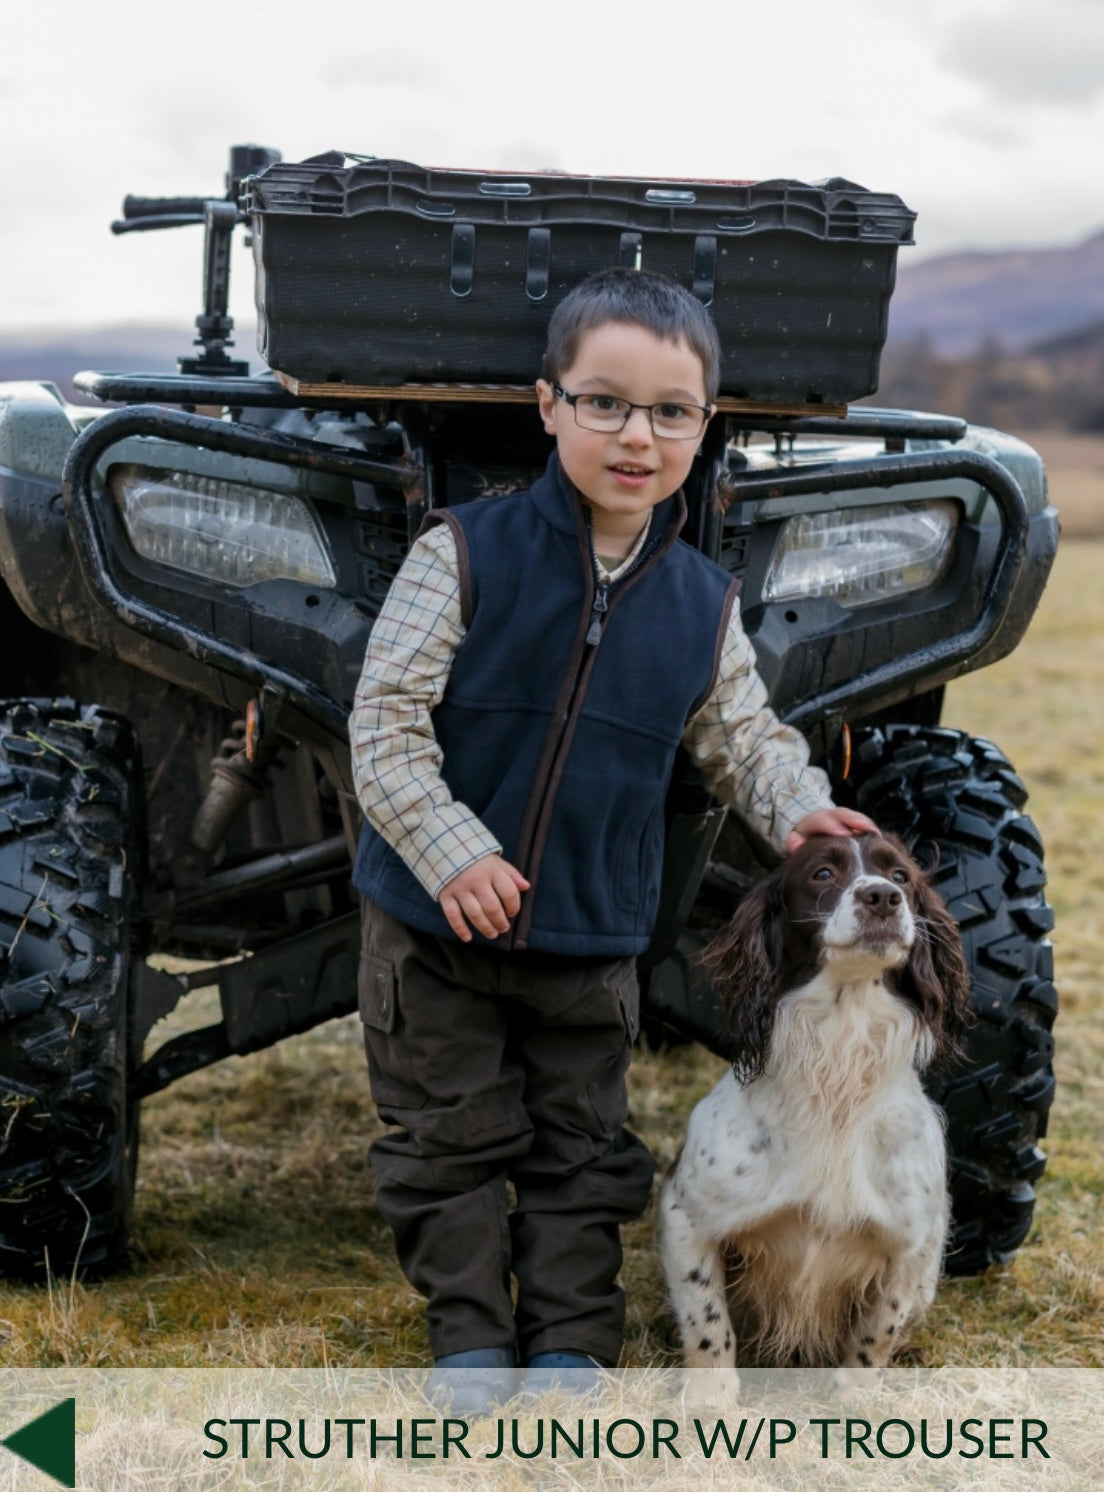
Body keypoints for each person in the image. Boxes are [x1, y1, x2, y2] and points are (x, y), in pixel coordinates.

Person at [349, 267, 875, 1394]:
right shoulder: (462, 552)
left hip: (588, 937)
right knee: (446, 1140)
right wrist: (452, 851)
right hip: (432, 929)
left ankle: (572, 1348)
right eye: (604, 402)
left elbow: (745, 736)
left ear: (703, 424)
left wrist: (797, 806)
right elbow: (383, 728)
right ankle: (473, 1341)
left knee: (580, 1151)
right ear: (548, 406)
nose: (636, 435)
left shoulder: (700, 601)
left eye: (669, 412)